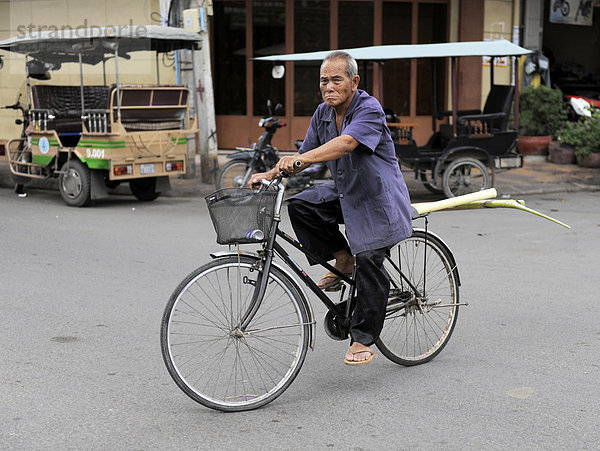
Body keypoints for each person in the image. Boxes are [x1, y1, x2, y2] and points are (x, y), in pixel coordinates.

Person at [249, 51, 413, 366]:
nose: (329, 86)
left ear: (354, 81)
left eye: (336, 80)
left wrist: (304, 159)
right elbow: (305, 153)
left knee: (370, 261)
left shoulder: (369, 108)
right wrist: (271, 173)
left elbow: (347, 144)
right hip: (346, 193)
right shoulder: (323, 114)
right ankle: (342, 257)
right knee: (301, 205)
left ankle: (363, 339)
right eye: (324, 80)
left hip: (378, 201)